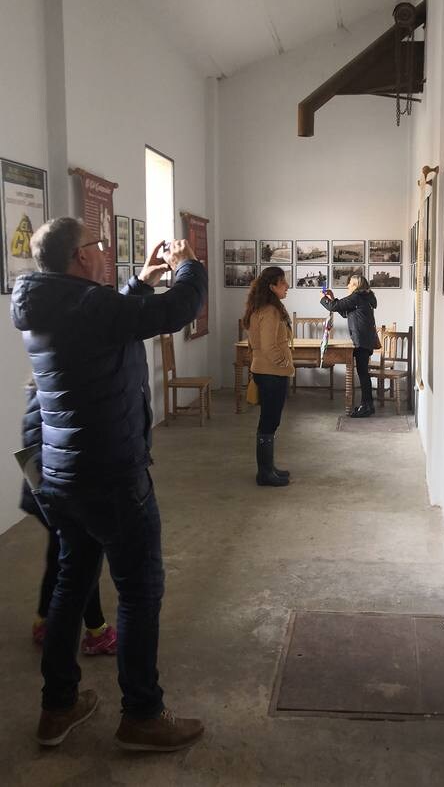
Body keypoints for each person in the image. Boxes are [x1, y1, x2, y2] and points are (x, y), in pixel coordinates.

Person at [10, 217, 207, 751]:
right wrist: (190, 267)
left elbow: (107, 320)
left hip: (63, 475)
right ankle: (142, 714)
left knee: (71, 584)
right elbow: (175, 310)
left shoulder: (47, 305)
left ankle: (58, 706)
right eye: (98, 246)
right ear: (78, 257)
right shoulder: (88, 306)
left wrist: (138, 283)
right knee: (140, 591)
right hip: (112, 475)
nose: (104, 252)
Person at [20, 380, 117, 655]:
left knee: (61, 558)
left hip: (50, 493)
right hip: (57, 494)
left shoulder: (44, 389)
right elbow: (35, 450)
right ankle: (96, 631)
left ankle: (44, 621)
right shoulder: (54, 393)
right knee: (82, 562)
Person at [243, 266, 294, 487]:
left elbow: (256, 343)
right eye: (283, 283)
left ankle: (268, 469)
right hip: (271, 373)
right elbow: (268, 345)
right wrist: (283, 362)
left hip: (265, 371)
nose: (287, 287)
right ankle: (265, 474)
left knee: (269, 421)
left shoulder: (261, 308)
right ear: (272, 286)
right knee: (269, 422)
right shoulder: (270, 311)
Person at [320, 274, 378, 418]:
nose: (348, 286)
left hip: (362, 341)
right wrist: (332, 299)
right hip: (366, 340)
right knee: (364, 373)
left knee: (363, 374)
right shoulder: (364, 297)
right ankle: (368, 405)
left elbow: (334, 307)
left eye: (350, 284)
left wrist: (324, 299)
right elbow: (346, 313)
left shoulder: (357, 297)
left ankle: (367, 407)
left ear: (357, 285)